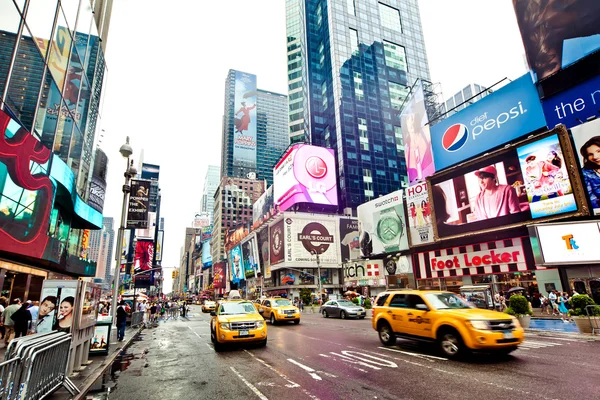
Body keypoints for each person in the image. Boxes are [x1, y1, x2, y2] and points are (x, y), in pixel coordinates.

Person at [580, 136, 600, 210]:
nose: (595, 157)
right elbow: (591, 200)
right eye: (590, 154)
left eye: (598, 151)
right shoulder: (585, 173)